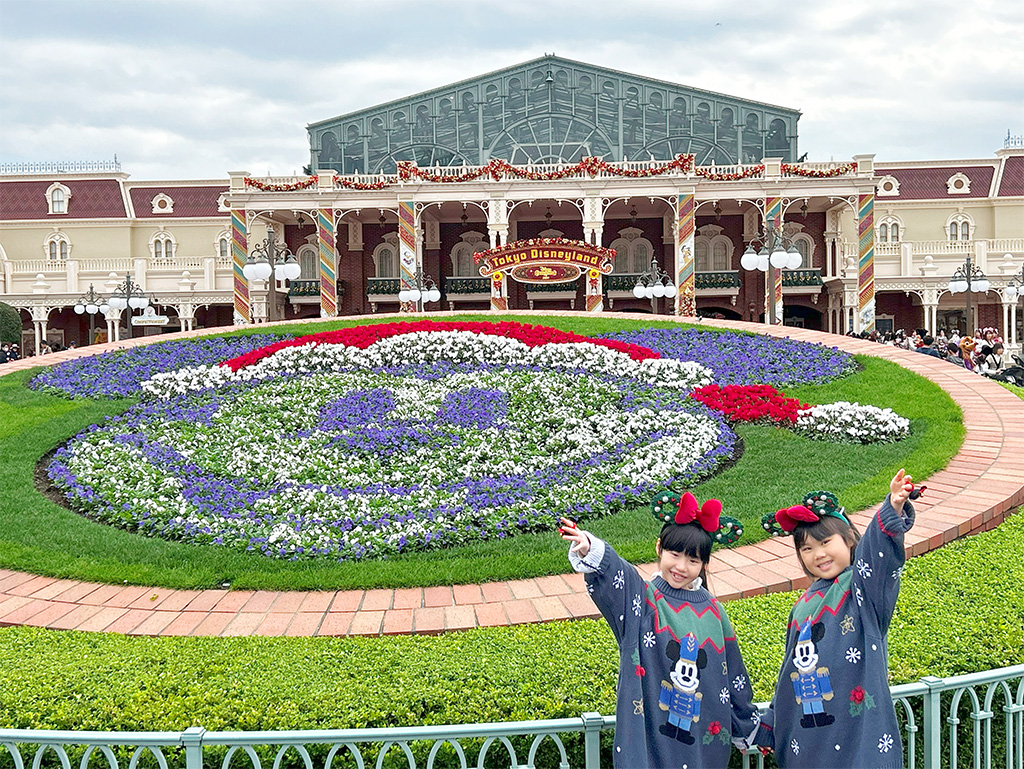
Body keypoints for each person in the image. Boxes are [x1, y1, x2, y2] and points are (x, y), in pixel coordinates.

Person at [559, 493, 759, 768]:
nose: (681, 567)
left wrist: (750, 728)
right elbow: (619, 574)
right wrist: (589, 548)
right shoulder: (642, 601)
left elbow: (734, 674)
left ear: (704, 564)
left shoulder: (714, 612)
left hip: (705, 748)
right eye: (674, 554)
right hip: (650, 742)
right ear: (659, 548)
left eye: (693, 560)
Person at [753, 471, 917, 768]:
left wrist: (892, 508)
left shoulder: (863, 591)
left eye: (826, 542)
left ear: (850, 539)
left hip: (859, 743)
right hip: (806, 744)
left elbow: (876, 557)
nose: (818, 554)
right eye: (807, 548)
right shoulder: (802, 607)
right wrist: (771, 724)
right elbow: (790, 669)